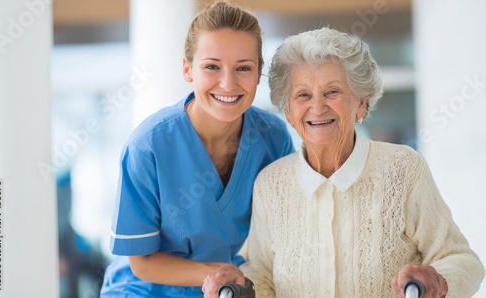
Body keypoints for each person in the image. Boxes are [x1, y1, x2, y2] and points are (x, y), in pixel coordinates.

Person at [202, 27, 485, 298]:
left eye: (332, 92)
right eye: (303, 95)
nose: (317, 107)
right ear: (288, 112)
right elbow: (263, 276)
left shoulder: (403, 169)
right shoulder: (271, 183)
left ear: (361, 103)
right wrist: (240, 287)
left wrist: (437, 279)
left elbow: (463, 261)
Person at [99, 2, 295, 297]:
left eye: (243, 68)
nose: (228, 83)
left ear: (259, 74)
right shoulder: (148, 146)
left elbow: (286, 231)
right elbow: (142, 262)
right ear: (187, 68)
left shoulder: (273, 138)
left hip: (226, 288)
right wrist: (218, 273)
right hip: (142, 289)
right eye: (212, 67)